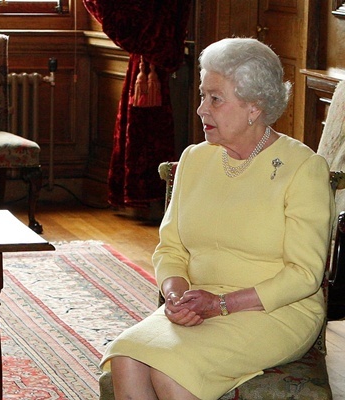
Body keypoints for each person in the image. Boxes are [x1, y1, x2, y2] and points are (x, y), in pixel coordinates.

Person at [100, 37, 334, 399]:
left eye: (215, 98)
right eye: (201, 95)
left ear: (254, 106)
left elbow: (304, 274)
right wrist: (175, 294)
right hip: (199, 306)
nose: (200, 110)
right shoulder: (195, 160)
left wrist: (222, 304)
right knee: (126, 359)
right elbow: (170, 248)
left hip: (275, 311)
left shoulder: (303, 169)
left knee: (172, 373)